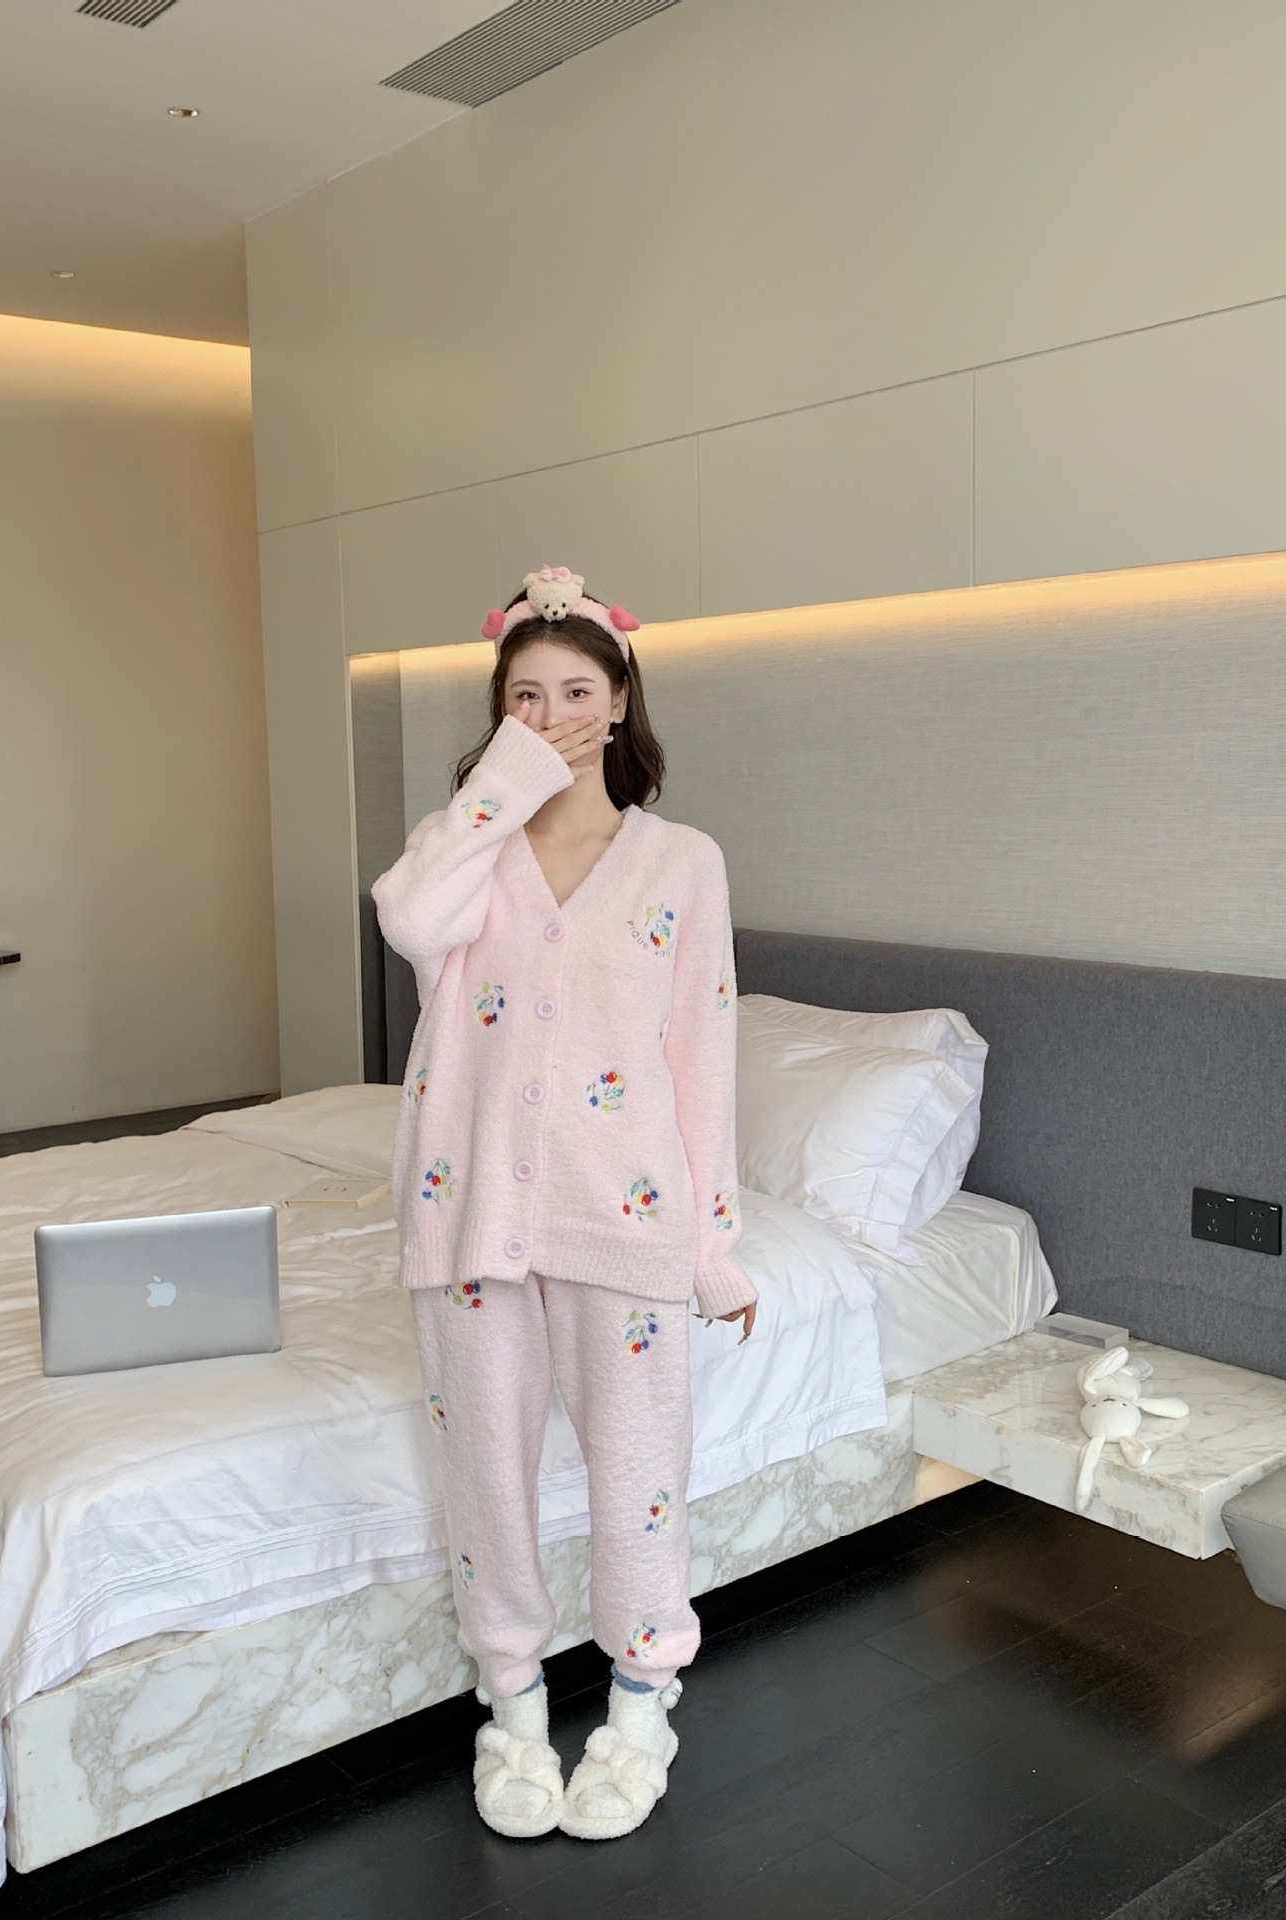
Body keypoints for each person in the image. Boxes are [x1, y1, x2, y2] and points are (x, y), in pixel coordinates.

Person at [372, 565, 758, 1842]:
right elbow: (402, 916)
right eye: (524, 696)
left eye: (577, 692)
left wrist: (714, 1249)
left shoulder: (682, 862)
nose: (552, 715)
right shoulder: (465, 854)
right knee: (484, 1472)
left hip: (625, 1219)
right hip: (468, 1213)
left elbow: (702, 1061)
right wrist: (504, 785)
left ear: (622, 698)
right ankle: (515, 1716)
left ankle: (641, 1713)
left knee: (637, 1476)